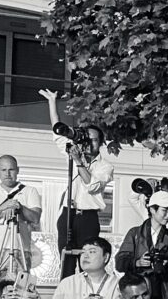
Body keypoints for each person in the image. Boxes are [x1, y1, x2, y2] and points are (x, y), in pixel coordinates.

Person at [39, 89, 114, 279]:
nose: (89, 144)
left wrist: (79, 161)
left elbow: (92, 185)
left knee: (86, 263)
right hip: (68, 214)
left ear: (101, 144)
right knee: (66, 261)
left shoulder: (105, 166)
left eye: (94, 140)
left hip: (88, 218)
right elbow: (58, 132)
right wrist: (52, 103)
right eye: (86, 139)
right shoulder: (73, 153)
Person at [0, 156, 42, 290]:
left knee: (20, 292)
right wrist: (3, 207)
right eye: (3, 170)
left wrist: (19, 207)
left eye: (11, 169)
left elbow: (35, 218)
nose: (7, 174)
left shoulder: (30, 191)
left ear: (17, 170)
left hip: (21, 249)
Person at [115, 190, 168, 299]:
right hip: (137, 293)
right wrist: (137, 262)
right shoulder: (134, 234)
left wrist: (167, 264)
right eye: (164, 210)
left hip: (164, 294)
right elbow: (120, 263)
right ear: (152, 210)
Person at [50, 238, 120, 299]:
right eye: (83, 252)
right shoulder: (67, 283)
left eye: (92, 252)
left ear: (106, 257)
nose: (85, 256)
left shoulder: (118, 285)